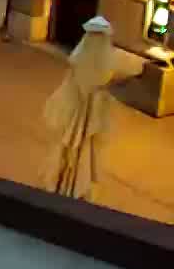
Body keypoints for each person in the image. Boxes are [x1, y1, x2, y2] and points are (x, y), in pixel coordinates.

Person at [43, 16, 142, 202]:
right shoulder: (107, 60)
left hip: (77, 111)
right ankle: (77, 186)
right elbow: (131, 68)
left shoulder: (79, 57)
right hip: (91, 114)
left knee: (71, 147)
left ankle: (65, 183)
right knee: (85, 150)